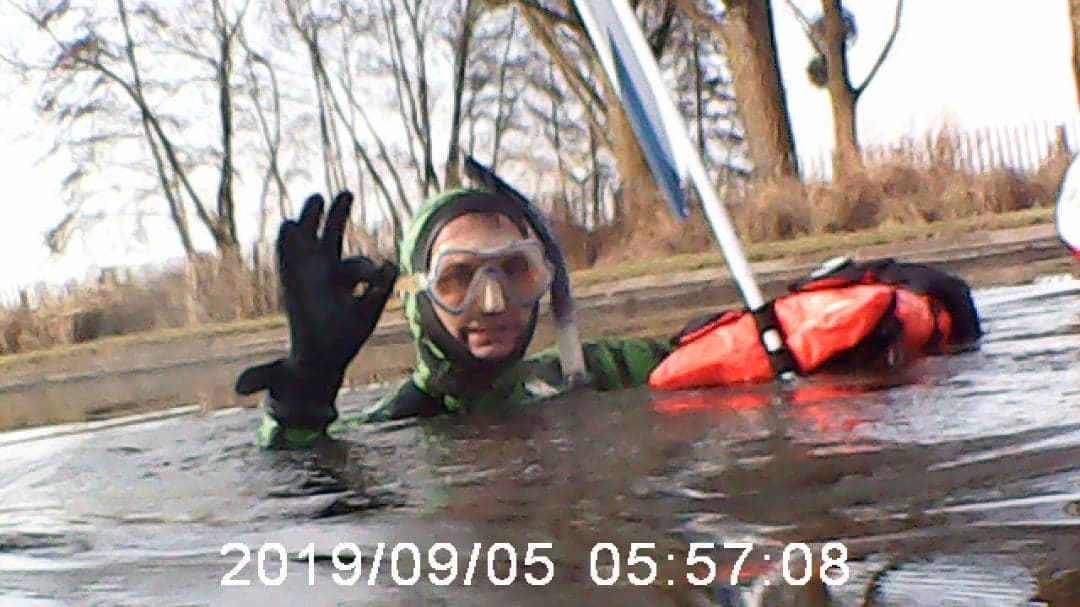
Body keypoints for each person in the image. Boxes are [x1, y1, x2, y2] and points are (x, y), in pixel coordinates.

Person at [236, 188, 982, 449]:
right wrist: (302, 399)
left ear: (548, 282)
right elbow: (308, 492)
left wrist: (886, 291)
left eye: (515, 272)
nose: (492, 305)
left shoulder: (601, 374)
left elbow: (732, 345)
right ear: (420, 298)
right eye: (458, 279)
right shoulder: (398, 427)